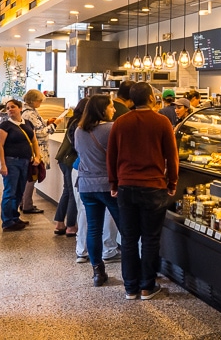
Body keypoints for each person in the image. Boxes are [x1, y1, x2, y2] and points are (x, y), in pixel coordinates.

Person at [107, 82, 178, 300]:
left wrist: (113, 183)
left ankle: (130, 288)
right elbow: (171, 155)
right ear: (150, 97)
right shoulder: (162, 121)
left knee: (128, 238)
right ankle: (147, 286)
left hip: (126, 186)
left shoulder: (120, 122)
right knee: (150, 238)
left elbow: (111, 155)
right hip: (154, 187)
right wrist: (172, 182)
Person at [75, 94, 121, 287]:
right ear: (103, 109)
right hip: (108, 186)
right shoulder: (111, 129)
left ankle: (98, 272)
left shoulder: (79, 130)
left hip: (86, 185)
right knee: (126, 228)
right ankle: (133, 269)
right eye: (111, 106)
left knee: (93, 229)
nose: (114, 110)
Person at [0, 99, 40, 232]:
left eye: (13, 107)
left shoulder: (27, 123)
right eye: (8, 108)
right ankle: (7, 221)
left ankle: (15, 217)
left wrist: (37, 156)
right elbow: (0, 146)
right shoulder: (5, 126)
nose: (10, 110)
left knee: (20, 190)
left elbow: (34, 141)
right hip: (11, 162)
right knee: (10, 191)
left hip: (25, 161)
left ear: (20, 108)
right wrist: (2, 164)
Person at [20, 89, 59, 215]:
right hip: (37, 150)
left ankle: (24, 202)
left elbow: (37, 126)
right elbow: (39, 133)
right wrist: (54, 125)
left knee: (30, 177)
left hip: (32, 149)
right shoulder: (30, 114)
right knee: (32, 177)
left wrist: (47, 122)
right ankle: (27, 205)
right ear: (33, 100)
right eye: (39, 101)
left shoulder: (30, 112)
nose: (41, 103)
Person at [53, 100, 84, 237]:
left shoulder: (74, 120)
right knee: (72, 193)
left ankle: (60, 222)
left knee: (67, 191)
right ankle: (71, 226)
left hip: (64, 158)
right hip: (70, 160)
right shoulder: (79, 123)